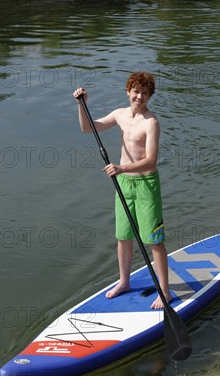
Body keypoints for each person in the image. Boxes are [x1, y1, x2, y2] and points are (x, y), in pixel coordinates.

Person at [73, 72, 172, 309]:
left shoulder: (151, 123)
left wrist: (121, 167)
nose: (140, 96)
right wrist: (82, 105)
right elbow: (88, 128)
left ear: (149, 97)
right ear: (128, 91)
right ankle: (124, 281)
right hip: (124, 184)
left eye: (145, 93)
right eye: (136, 91)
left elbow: (151, 161)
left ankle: (165, 292)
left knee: (154, 240)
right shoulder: (119, 115)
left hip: (146, 184)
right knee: (123, 236)